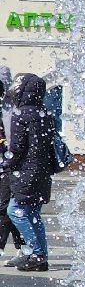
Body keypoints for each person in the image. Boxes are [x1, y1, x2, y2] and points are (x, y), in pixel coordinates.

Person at [5, 73, 60, 272]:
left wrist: (7, 163)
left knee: (15, 210)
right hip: (42, 172)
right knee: (33, 214)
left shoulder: (21, 115)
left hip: (26, 171)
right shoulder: (45, 113)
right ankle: (40, 256)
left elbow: (17, 148)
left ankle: (36, 254)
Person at [0, 66, 22, 260]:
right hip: (7, 165)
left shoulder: (12, 107)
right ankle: (24, 248)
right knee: (12, 209)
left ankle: (23, 248)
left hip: (10, 166)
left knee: (7, 208)